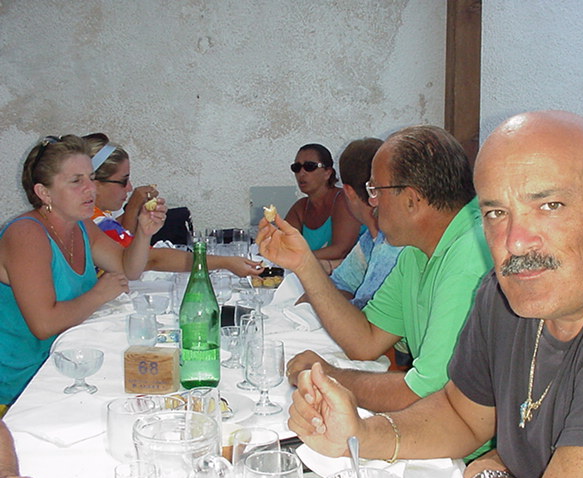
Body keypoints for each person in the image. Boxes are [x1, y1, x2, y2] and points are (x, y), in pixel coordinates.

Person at [287, 111, 583, 478]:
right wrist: (360, 436)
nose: (516, 242)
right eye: (497, 212)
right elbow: (461, 416)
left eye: (549, 205)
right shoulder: (502, 294)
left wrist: (497, 468)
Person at [257, 125, 493, 413]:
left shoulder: (470, 258)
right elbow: (366, 341)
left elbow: (424, 395)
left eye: (375, 190)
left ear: (411, 200)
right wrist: (304, 264)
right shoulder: (416, 250)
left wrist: (327, 376)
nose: (371, 201)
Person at [0, 135, 164, 406]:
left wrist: (145, 232)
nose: (91, 189)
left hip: (69, 363)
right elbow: (43, 324)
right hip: (22, 385)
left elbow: (128, 267)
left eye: (91, 178)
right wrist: (99, 294)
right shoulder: (26, 234)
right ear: (44, 193)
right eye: (77, 181)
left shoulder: (79, 225)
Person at [85, 133, 263, 277]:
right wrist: (225, 262)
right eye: (123, 181)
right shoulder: (96, 220)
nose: (130, 187)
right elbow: (151, 259)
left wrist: (136, 215)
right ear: (94, 183)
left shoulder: (97, 218)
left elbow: (121, 240)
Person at [298, 137, 403, 309]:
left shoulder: (396, 246)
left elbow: (365, 311)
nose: (301, 173)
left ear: (348, 192)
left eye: (309, 167)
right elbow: (342, 284)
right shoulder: (371, 238)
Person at [285, 143, 362, 261]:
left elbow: (340, 250)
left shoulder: (344, 200)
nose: (301, 173)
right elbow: (281, 243)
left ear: (328, 172)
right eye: (296, 167)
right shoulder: (300, 208)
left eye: (309, 166)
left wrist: (297, 259)